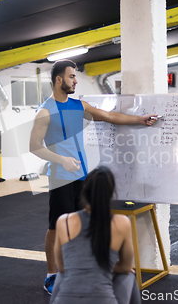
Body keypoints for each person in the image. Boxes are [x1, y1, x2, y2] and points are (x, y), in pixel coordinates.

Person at [29, 59, 157, 294]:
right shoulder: (46, 111)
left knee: (84, 224)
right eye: (71, 77)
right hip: (60, 176)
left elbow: (109, 116)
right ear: (59, 80)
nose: (75, 80)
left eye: (76, 77)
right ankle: (51, 273)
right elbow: (34, 146)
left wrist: (139, 120)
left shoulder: (79, 106)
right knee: (57, 227)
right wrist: (62, 160)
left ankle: (78, 267)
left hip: (82, 176)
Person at [50, 166, 141, 304]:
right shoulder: (121, 222)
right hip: (103, 300)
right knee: (129, 275)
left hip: (65, 300)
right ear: (111, 194)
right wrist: (106, 264)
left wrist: (80, 263)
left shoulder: (64, 221)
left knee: (62, 275)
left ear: (84, 191)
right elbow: (125, 267)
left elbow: (62, 267)